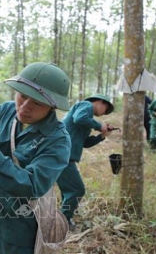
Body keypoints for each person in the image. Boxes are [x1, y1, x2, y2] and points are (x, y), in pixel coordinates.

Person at [0, 62, 71, 254]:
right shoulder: (4, 112)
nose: (25, 107)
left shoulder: (58, 139)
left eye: (37, 102)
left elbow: (32, 185)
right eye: (22, 96)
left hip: (18, 228)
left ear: (52, 106)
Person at [56, 94, 115, 231]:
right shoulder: (86, 106)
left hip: (64, 155)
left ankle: (63, 218)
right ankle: (62, 223)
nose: (103, 114)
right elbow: (79, 118)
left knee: (68, 190)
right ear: (100, 102)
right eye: (105, 110)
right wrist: (99, 125)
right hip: (61, 154)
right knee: (77, 189)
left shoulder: (86, 121)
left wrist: (102, 136)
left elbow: (85, 143)